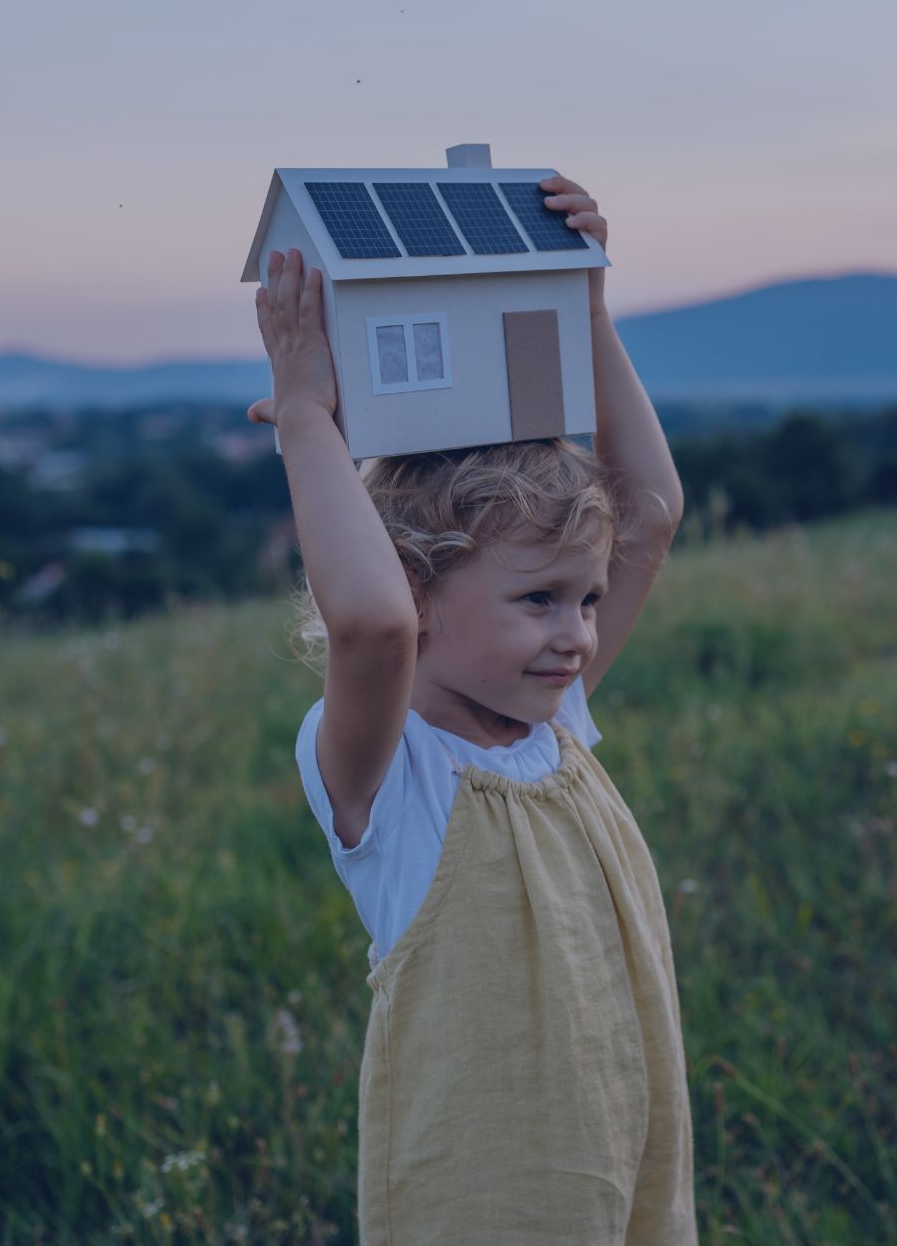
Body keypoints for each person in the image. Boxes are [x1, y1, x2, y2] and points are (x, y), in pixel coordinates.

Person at [246, 175, 697, 1243]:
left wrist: (583, 306)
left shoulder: (552, 723)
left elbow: (655, 512)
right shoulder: (392, 772)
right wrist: (307, 416)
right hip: (482, 1188)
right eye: (538, 598)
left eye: (584, 598)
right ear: (416, 585)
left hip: (622, 1141)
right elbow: (370, 626)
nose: (579, 631)